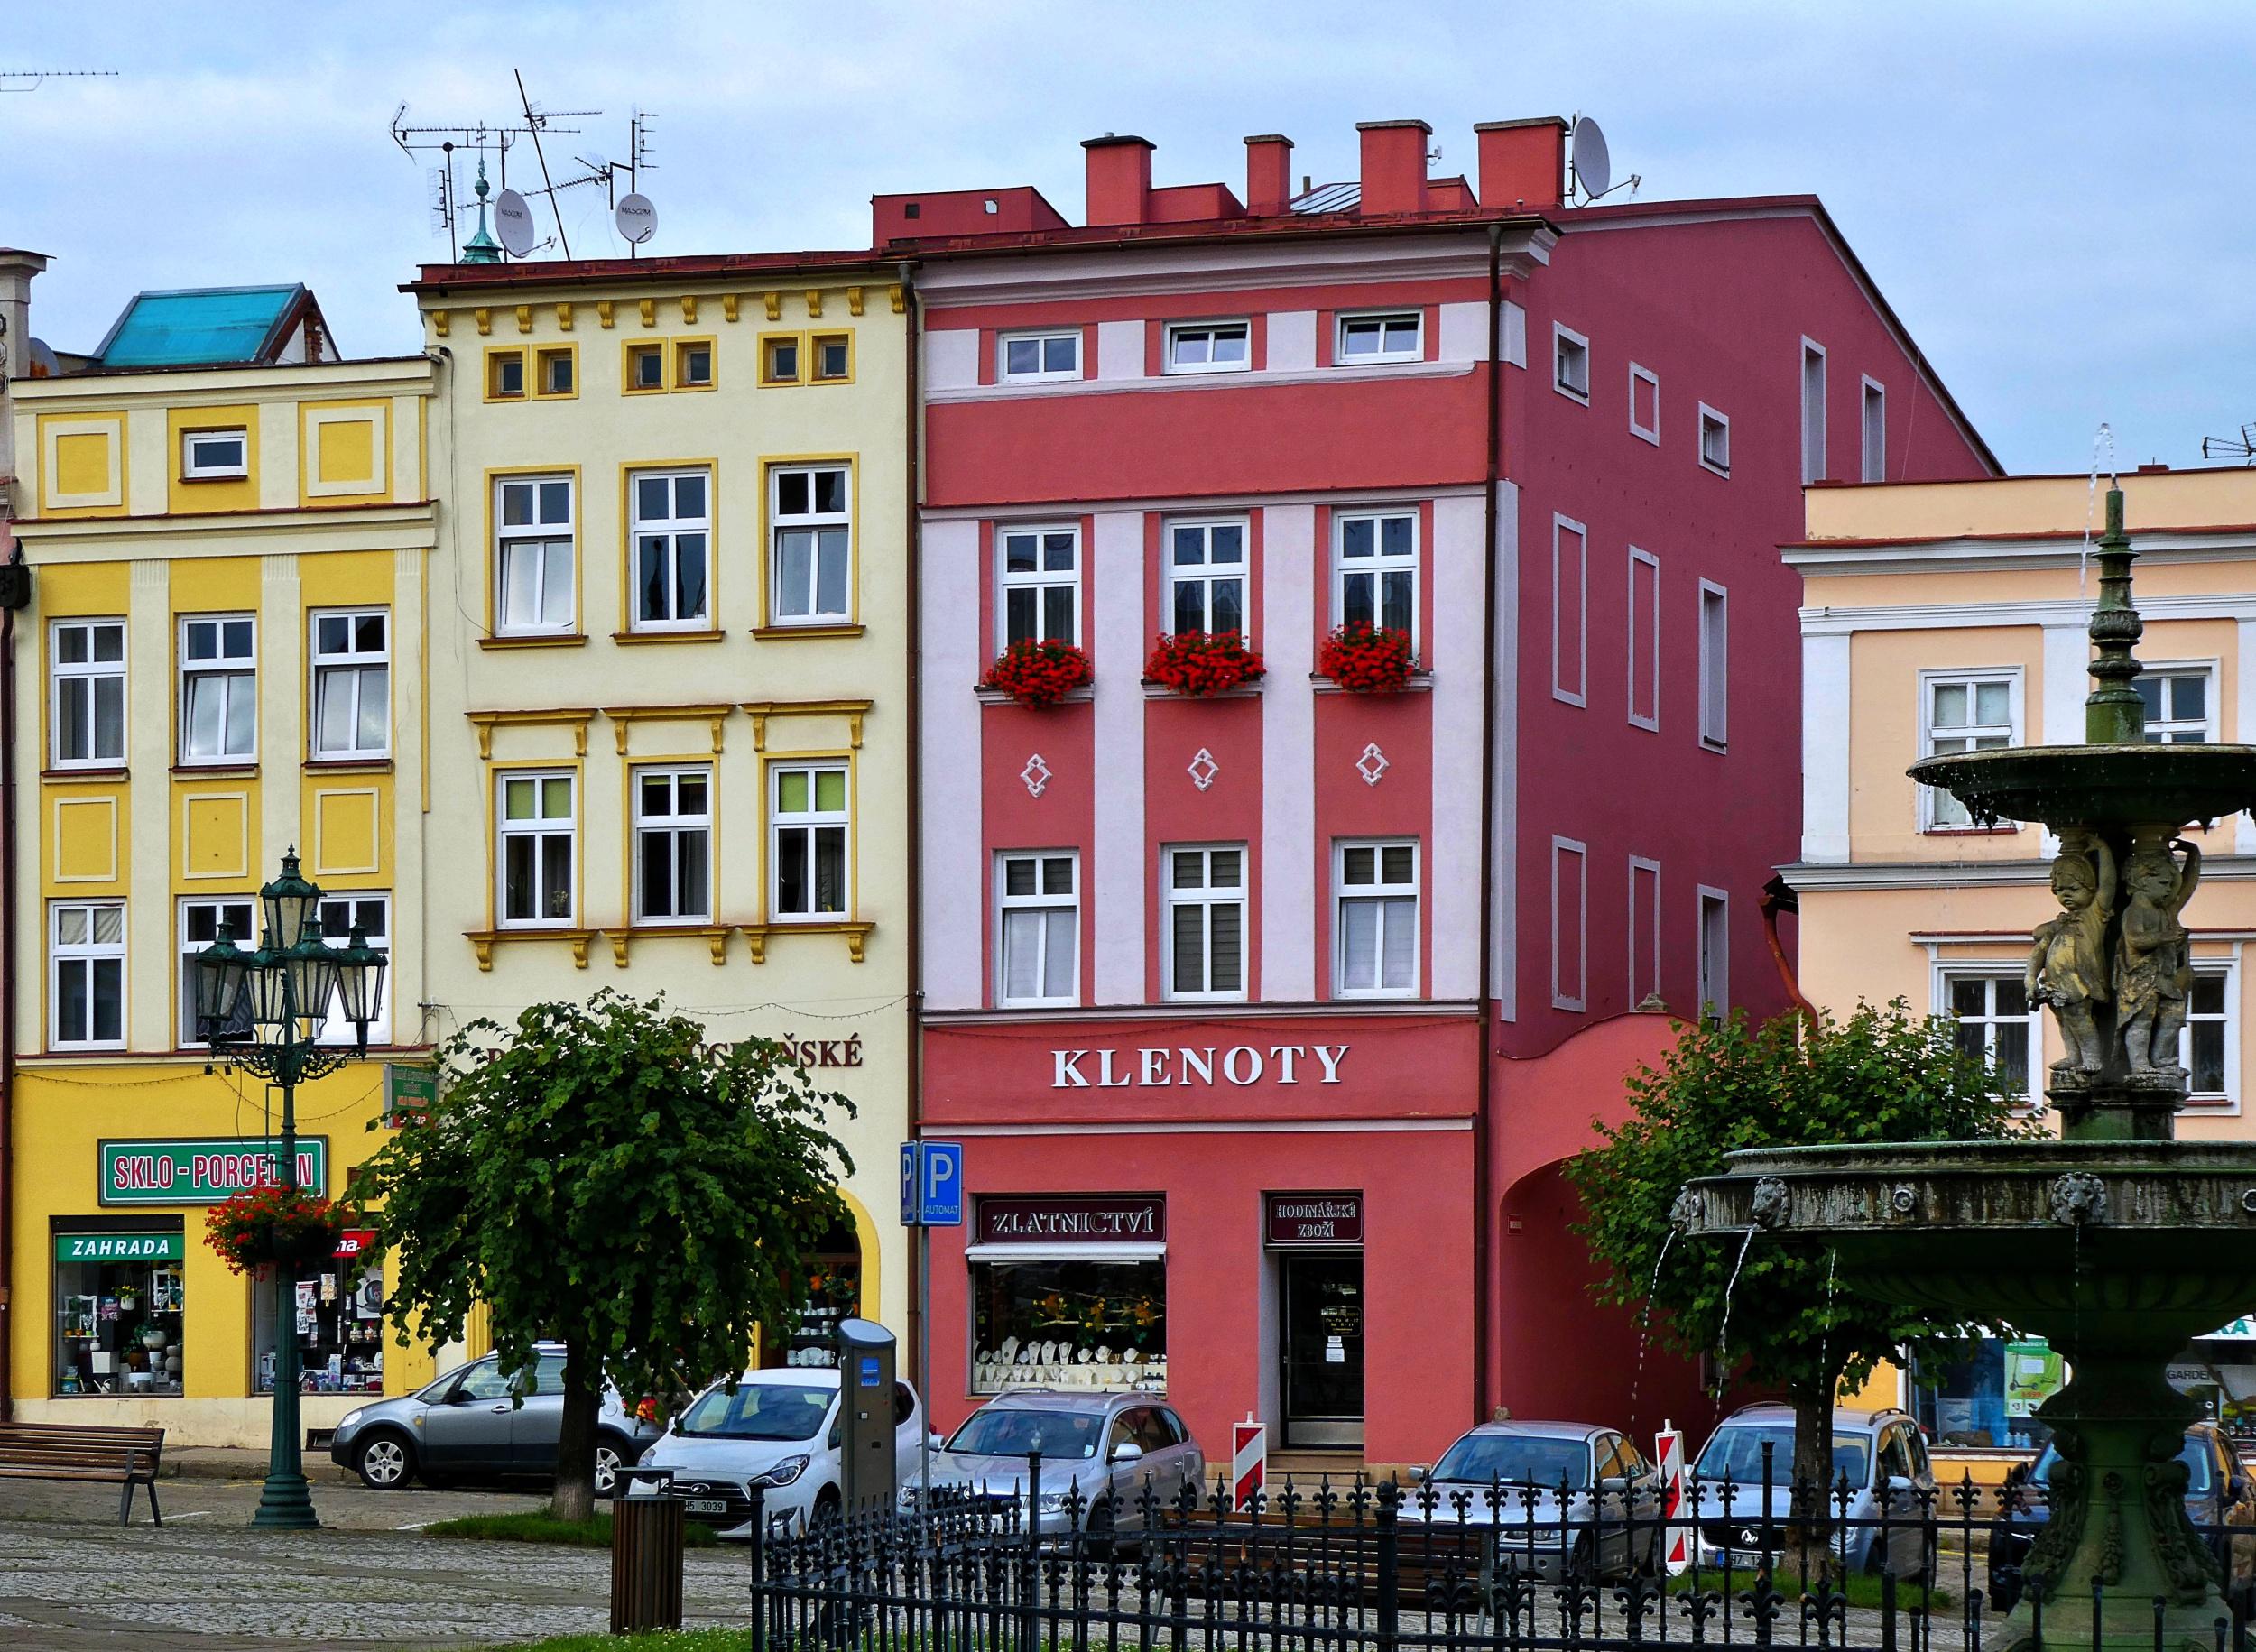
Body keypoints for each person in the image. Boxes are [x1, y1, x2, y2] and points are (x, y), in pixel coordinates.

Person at [2028, 832, 2115, 1074]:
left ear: (2090, 887)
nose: (2066, 895)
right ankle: (2073, 1055)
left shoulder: (2095, 914)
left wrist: (2104, 850)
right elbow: (2040, 948)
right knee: (2063, 1019)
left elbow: (2108, 885)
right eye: (2060, 890)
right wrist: (2029, 977)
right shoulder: (2059, 923)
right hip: (2056, 981)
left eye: (2074, 889)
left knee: (2079, 1016)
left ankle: (2092, 1058)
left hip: (2081, 979)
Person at [2116, 835, 2200, 1076]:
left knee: (2174, 1015)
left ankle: (2162, 1060)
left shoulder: (2166, 910)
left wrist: (2193, 854)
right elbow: (2135, 940)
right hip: (2141, 978)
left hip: (2164, 976)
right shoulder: (2135, 911)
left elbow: (2187, 886)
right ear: (2143, 882)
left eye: (2169, 884)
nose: (2168, 889)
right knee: (2142, 1019)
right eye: (2163, 883)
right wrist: (2165, 937)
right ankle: (2139, 1065)